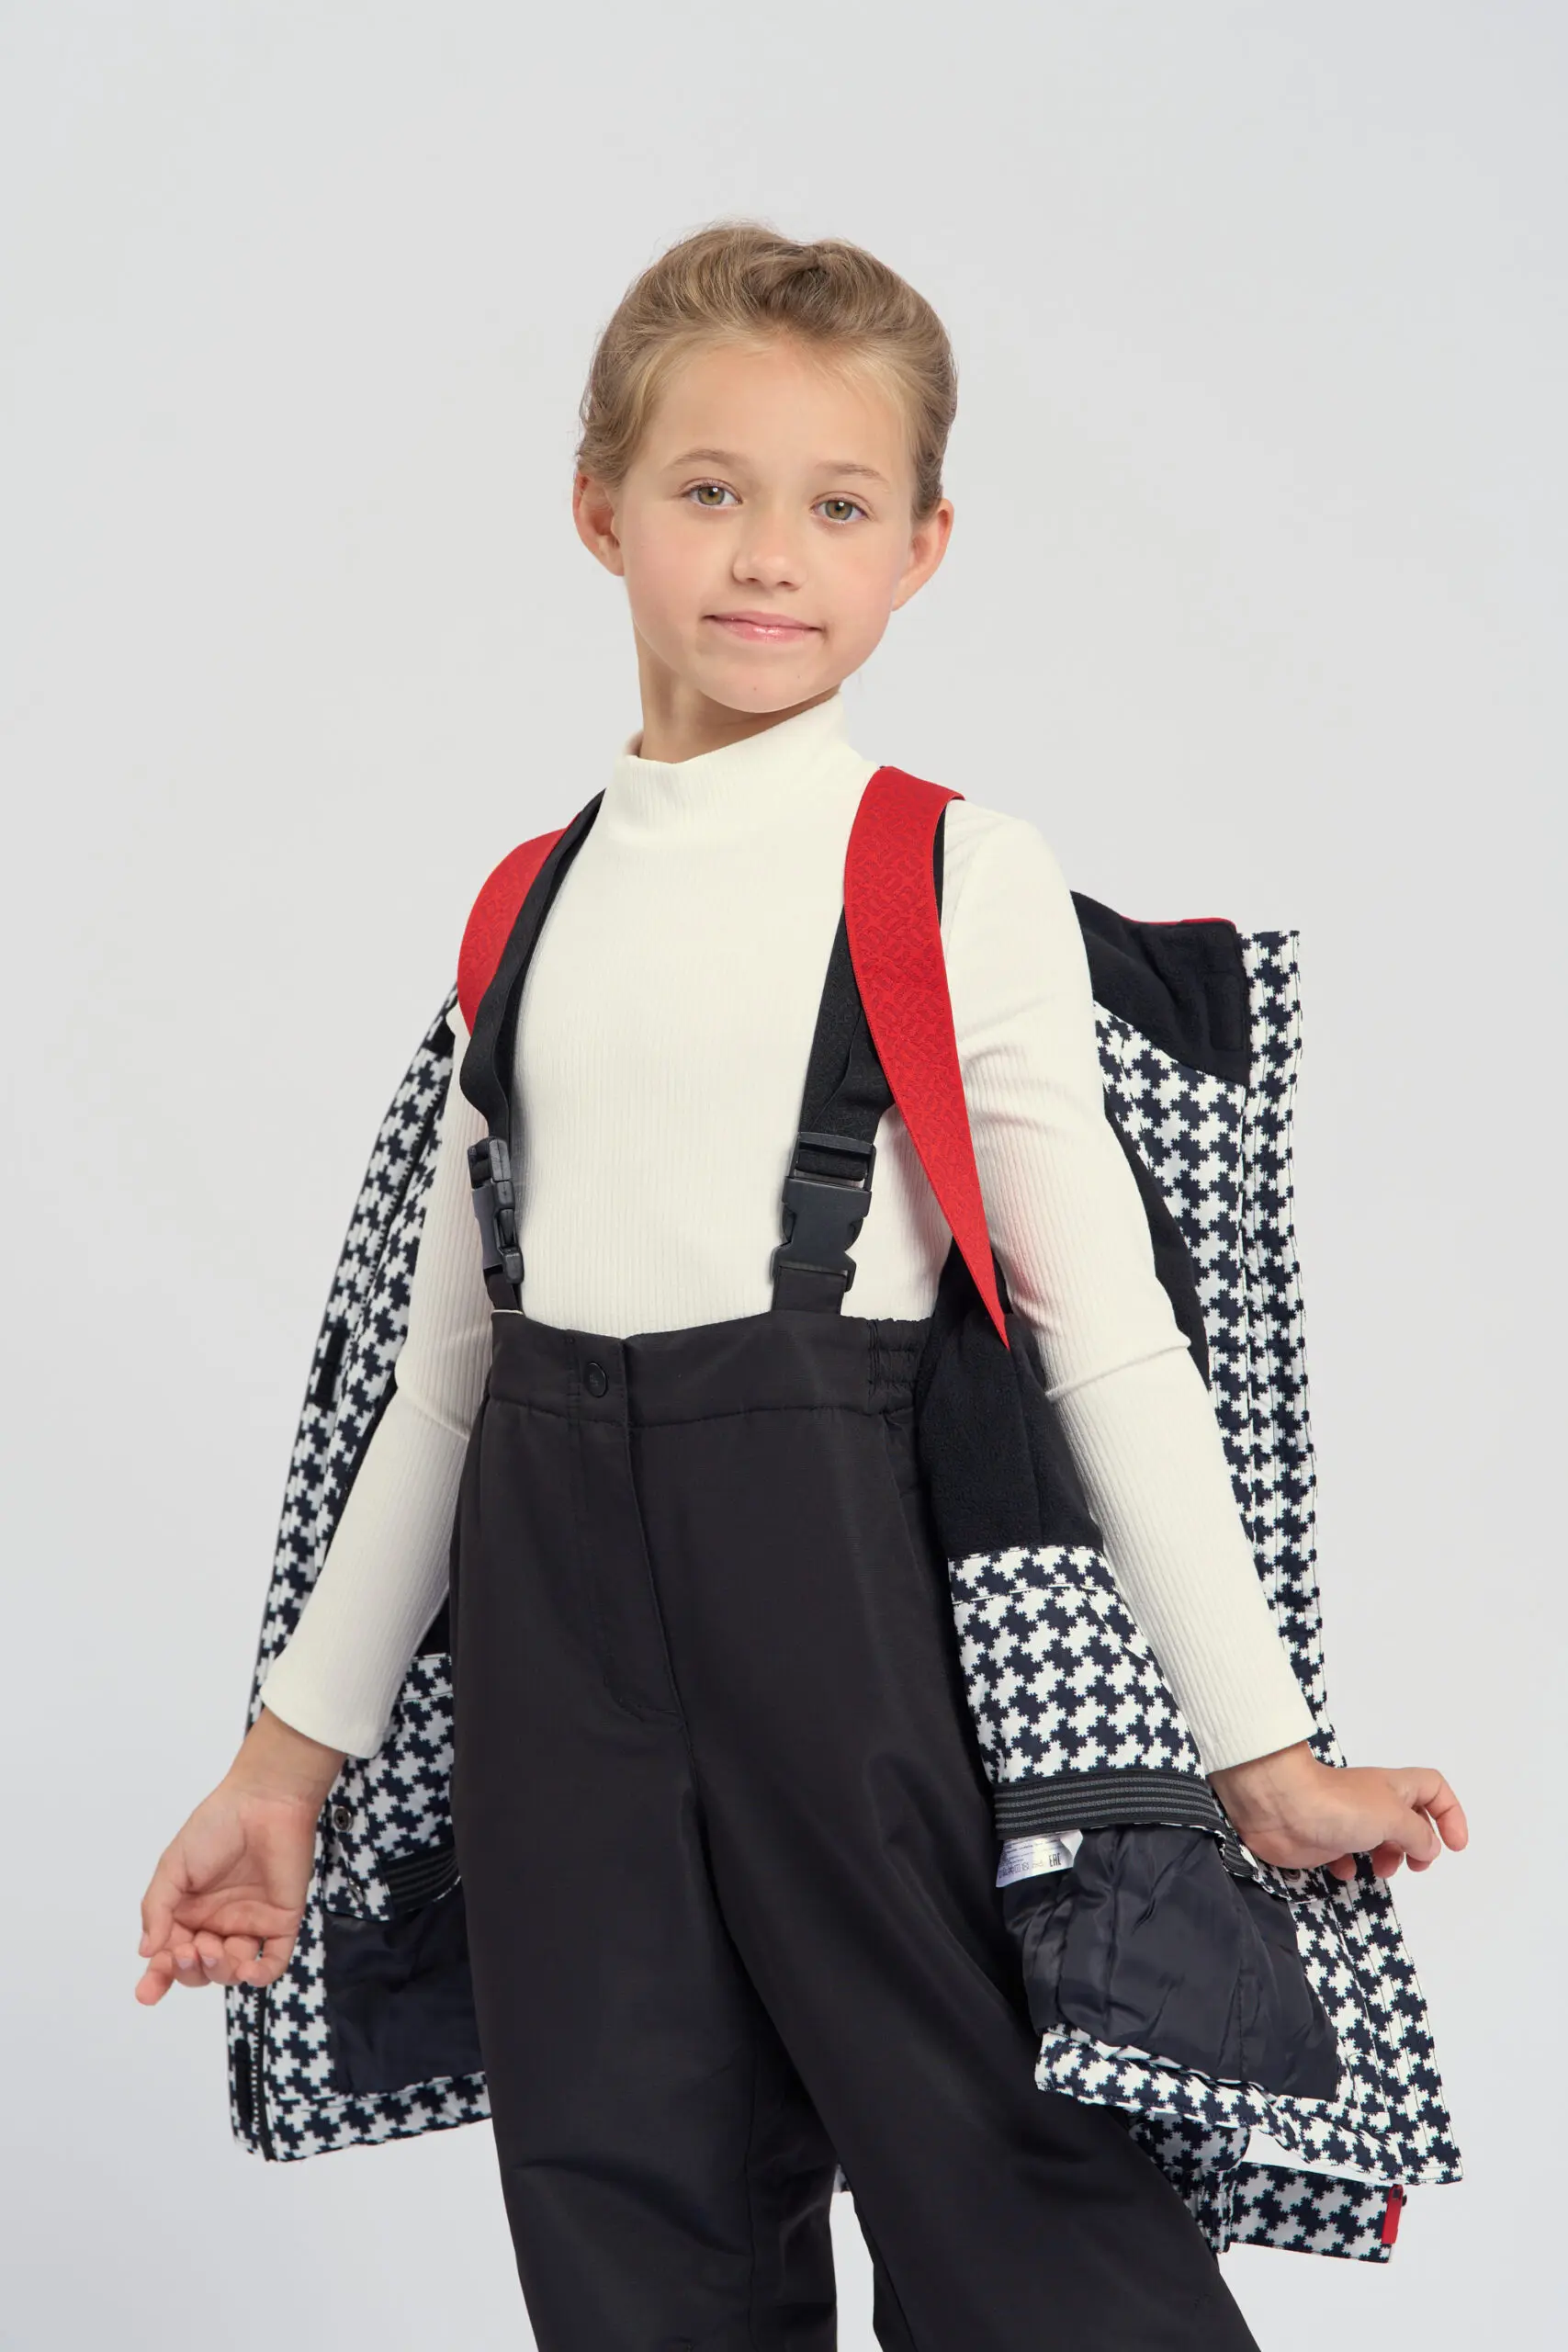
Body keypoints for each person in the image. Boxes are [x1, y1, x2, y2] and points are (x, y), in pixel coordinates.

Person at [135, 221, 1466, 2348]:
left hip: (850, 1624)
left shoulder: (947, 871)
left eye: (838, 505)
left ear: (923, 547)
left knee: (1011, 2192)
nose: (770, 554)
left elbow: (1104, 1330)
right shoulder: (522, 905)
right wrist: (283, 1767)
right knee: (630, 2211)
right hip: (558, 1627)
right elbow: (447, 1380)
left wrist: (1264, 1751)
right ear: (600, 508)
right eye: (710, 488)